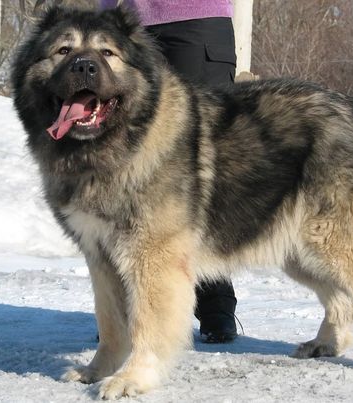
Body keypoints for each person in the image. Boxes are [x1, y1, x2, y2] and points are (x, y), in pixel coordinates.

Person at [100, 0, 238, 343]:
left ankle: (214, 302)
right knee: (123, 165)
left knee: (208, 163)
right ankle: (130, 311)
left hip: (198, 18)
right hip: (126, 23)